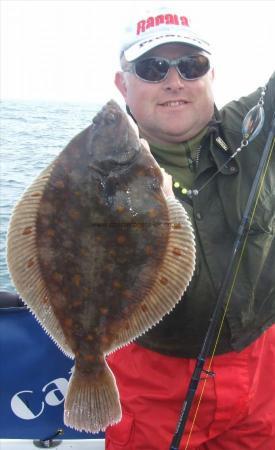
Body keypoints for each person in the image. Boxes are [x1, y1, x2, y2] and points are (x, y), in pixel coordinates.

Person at [105, 6, 275, 450]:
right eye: (152, 67)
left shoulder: (255, 127)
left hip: (263, 373)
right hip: (151, 382)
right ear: (124, 83)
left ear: (211, 74)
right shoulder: (97, 168)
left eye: (191, 65)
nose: (174, 80)